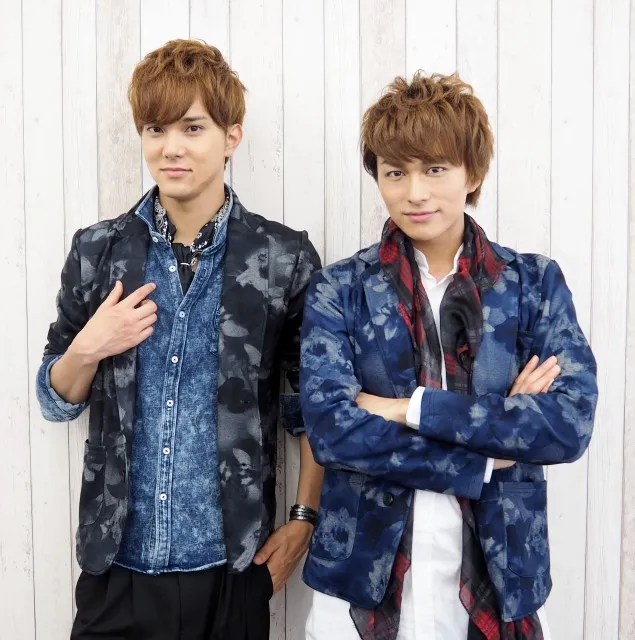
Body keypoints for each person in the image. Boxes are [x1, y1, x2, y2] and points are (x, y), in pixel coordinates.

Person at [36, 39, 323, 640]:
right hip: (116, 567)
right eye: (156, 129)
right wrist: (90, 344)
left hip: (232, 569)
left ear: (231, 135)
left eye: (192, 128)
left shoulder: (283, 257)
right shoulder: (98, 250)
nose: (171, 147)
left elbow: (313, 409)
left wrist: (303, 518)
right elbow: (55, 398)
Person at [299, 72, 597, 640]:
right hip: (360, 584)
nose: (415, 192)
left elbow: (568, 424)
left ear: (472, 173)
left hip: (499, 577)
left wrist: (405, 409)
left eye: (435, 169)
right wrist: (486, 455)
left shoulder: (532, 284)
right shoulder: (339, 289)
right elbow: (331, 431)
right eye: (395, 172)